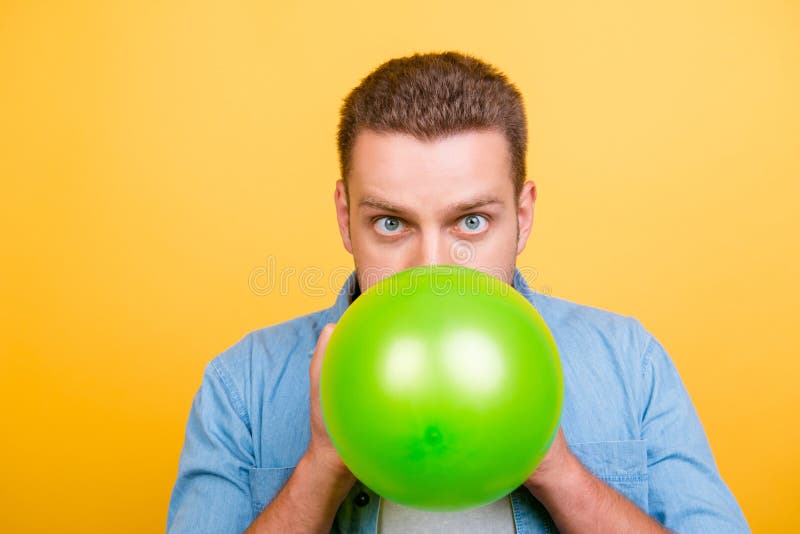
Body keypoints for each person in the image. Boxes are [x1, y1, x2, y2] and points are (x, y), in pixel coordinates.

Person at [166, 51, 749, 533]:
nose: (433, 267)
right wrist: (322, 466)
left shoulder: (629, 362)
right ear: (346, 217)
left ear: (522, 214)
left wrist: (558, 470)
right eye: (391, 223)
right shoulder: (242, 385)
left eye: (470, 221)